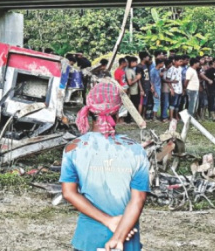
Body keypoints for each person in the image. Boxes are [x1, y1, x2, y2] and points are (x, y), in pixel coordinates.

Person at [61, 79, 149, 251]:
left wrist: (108, 221)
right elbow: (138, 200)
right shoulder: (136, 151)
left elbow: (69, 193)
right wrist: (118, 237)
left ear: (90, 111)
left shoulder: (73, 148)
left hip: (87, 239)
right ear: (118, 112)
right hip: (127, 238)